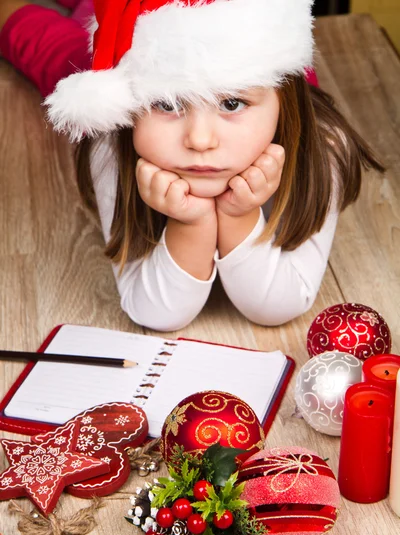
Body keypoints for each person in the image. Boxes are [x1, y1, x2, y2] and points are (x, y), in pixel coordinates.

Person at [1, 0, 383, 332]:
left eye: (232, 104)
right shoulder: (111, 137)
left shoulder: (322, 142)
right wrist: (192, 222)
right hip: (126, 25)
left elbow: (281, 303)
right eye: (167, 104)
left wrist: (240, 214)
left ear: (282, 102)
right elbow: (153, 311)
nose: (200, 140)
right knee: (53, 51)